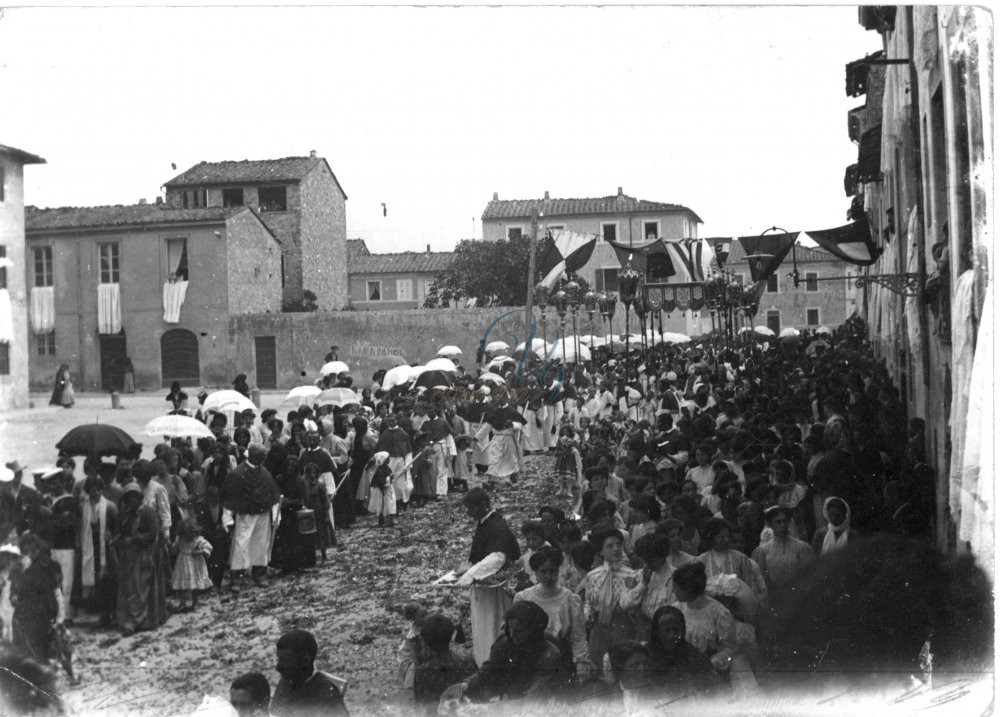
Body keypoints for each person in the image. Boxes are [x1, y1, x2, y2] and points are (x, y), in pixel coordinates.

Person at [440, 601, 565, 705]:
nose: (511, 634)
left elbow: (535, 698)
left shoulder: (549, 655)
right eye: (509, 628)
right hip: (505, 699)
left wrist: (500, 707)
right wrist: (463, 685)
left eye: (518, 630)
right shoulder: (505, 641)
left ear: (533, 631)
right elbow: (488, 671)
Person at [453, 488, 521, 666]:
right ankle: (483, 659)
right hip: (484, 586)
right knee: (482, 624)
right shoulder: (486, 522)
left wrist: (470, 574)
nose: (468, 513)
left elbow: (498, 556)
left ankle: (490, 663)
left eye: (471, 508)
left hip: (493, 590)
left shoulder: (497, 526)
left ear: (483, 505)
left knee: (490, 624)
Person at [513, 547, 590, 681]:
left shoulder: (569, 599)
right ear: (536, 573)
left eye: (552, 571)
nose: (548, 576)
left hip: (560, 657)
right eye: (543, 572)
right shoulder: (524, 598)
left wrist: (581, 663)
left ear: (558, 570)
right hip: (531, 658)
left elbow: (578, 636)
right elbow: (513, 632)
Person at [222, 444, 280, 593]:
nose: (264, 459)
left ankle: (260, 575)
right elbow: (230, 498)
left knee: (261, 544)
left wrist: (276, 516)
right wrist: (227, 519)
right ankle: (236, 578)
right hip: (245, 515)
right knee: (241, 545)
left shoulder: (264, 472)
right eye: (262, 457)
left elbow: (273, 494)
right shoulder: (237, 473)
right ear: (253, 456)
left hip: (263, 514)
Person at [583, 528, 638, 672]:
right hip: (599, 628)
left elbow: (634, 604)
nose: (616, 549)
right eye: (610, 546)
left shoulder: (630, 575)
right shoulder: (593, 576)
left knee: (622, 665)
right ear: (601, 551)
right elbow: (588, 600)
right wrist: (587, 615)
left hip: (623, 626)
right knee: (600, 666)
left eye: (618, 545)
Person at [115, 482, 167, 636]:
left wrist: (135, 539)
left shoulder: (148, 512)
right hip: (128, 555)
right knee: (128, 587)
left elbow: (153, 533)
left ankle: (137, 620)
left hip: (143, 554)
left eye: (134, 496)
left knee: (140, 587)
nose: (131, 500)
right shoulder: (124, 513)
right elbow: (120, 531)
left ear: (139, 497)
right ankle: (131, 617)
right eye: (128, 497)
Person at [646, 605, 722, 699]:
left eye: (676, 630)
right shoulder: (644, 657)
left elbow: (716, 691)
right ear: (657, 632)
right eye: (667, 630)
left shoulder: (696, 657)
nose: (672, 635)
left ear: (683, 630)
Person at [72, 475, 118, 627]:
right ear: (87, 491)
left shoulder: (110, 506)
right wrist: (78, 545)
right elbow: (79, 528)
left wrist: (112, 536)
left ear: (102, 490)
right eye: (92, 490)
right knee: (96, 581)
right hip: (90, 548)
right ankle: (103, 614)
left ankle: (113, 612)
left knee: (109, 580)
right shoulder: (81, 507)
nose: (96, 493)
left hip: (106, 548)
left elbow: (118, 529)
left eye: (98, 490)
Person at [271, 629, 349, 716]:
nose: (278, 667)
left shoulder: (326, 696)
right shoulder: (287, 681)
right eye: (279, 659)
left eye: (285, 660)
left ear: (306, 661)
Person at [10, 533, 60, 663]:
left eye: (33, 551)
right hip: (22, 617)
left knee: (37, 654)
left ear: (38, 551)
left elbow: (50, 593)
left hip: (38, 618)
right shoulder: (17, 570)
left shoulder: (44, 569)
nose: (31, 554)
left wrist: (52, 613)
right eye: (26, 551)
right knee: (22, 655)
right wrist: (13, 596)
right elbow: (13, 590)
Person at [413, 613, 475, 715]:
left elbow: (420, 708)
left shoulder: (422, 672)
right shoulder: (467, 663)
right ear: (450, 636)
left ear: (427, 641)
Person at [751, 506, 815, 605]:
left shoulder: (801, 548)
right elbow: (760, 580)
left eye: (785, 521)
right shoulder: (762, 551)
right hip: (774, 599)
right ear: (770, 524)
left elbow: (809, 576)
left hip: (798, 598)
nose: (782, 525)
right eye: (778, 522)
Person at [270, 456, 316, 573]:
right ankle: (285, 567)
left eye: (293, 466)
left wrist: (289, 502)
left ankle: (298, 566)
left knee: (296, 541)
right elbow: (275, 493)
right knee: (283, 541)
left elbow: (305, 499)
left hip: (296, 515)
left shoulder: (300, 480)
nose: (290, 468)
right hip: (283, 514)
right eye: (288, 466)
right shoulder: (279, 479)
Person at [170, 517, 213, 612]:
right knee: (181, 584)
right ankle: (182, 602)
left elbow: (208, 547)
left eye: (191, 534)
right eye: (186, 535)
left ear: (195, 532)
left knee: (195, 585)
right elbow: (175, 548)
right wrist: (173, 548)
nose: (189, 537)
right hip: (182, 564)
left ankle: (195, 602)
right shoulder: (180, 539)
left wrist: (200, 551)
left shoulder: (198, 540)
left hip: (195, 564)